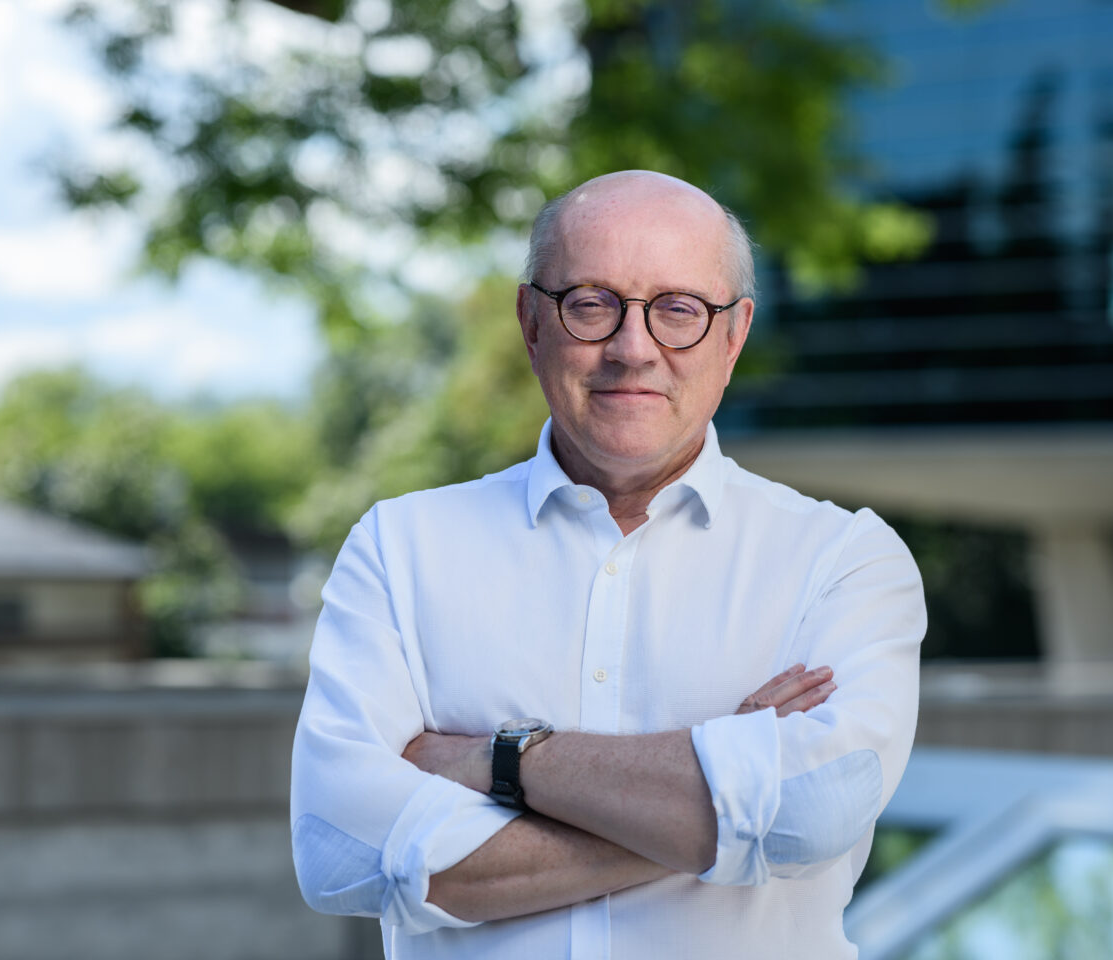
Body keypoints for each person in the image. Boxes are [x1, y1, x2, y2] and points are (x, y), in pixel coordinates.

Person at [291, 170, 926, 959]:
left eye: (678, 310)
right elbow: (342, 855)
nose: (633, 348)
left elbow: (815, 810)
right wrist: (718, 802)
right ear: (531, 323)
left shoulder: (844, 559)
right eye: (591, 304)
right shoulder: (400, 546)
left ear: (734, 337)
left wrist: (497, 759)